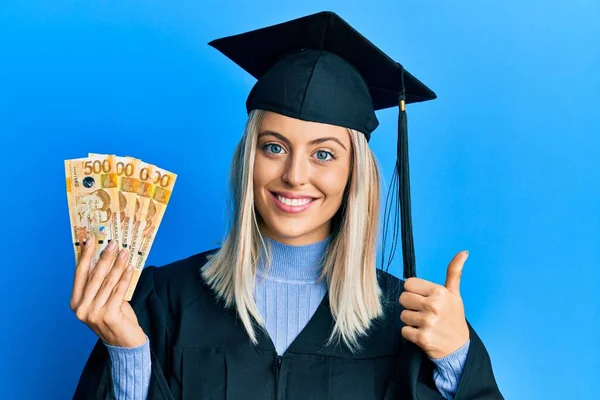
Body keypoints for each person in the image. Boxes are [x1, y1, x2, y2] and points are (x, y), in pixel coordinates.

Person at [71, 11, 504, 400]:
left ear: (356, 173)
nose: (295, 175)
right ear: (248, 159)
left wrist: (455, 361)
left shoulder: (402, 319)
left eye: (324, 154)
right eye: (274, 147)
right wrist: (127, 354)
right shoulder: (164, 301)